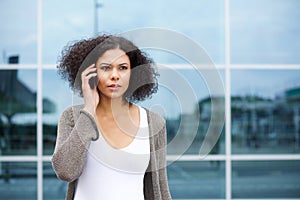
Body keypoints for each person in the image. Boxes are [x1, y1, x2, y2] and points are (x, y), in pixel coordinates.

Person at [51, 35, 172, 200]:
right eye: (106, 68)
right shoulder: (72, 117)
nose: (115, 75)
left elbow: (161, 188)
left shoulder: (153, 122)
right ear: (91, 72)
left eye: (122, 68)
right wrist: (89, 110)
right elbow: (65, 171)